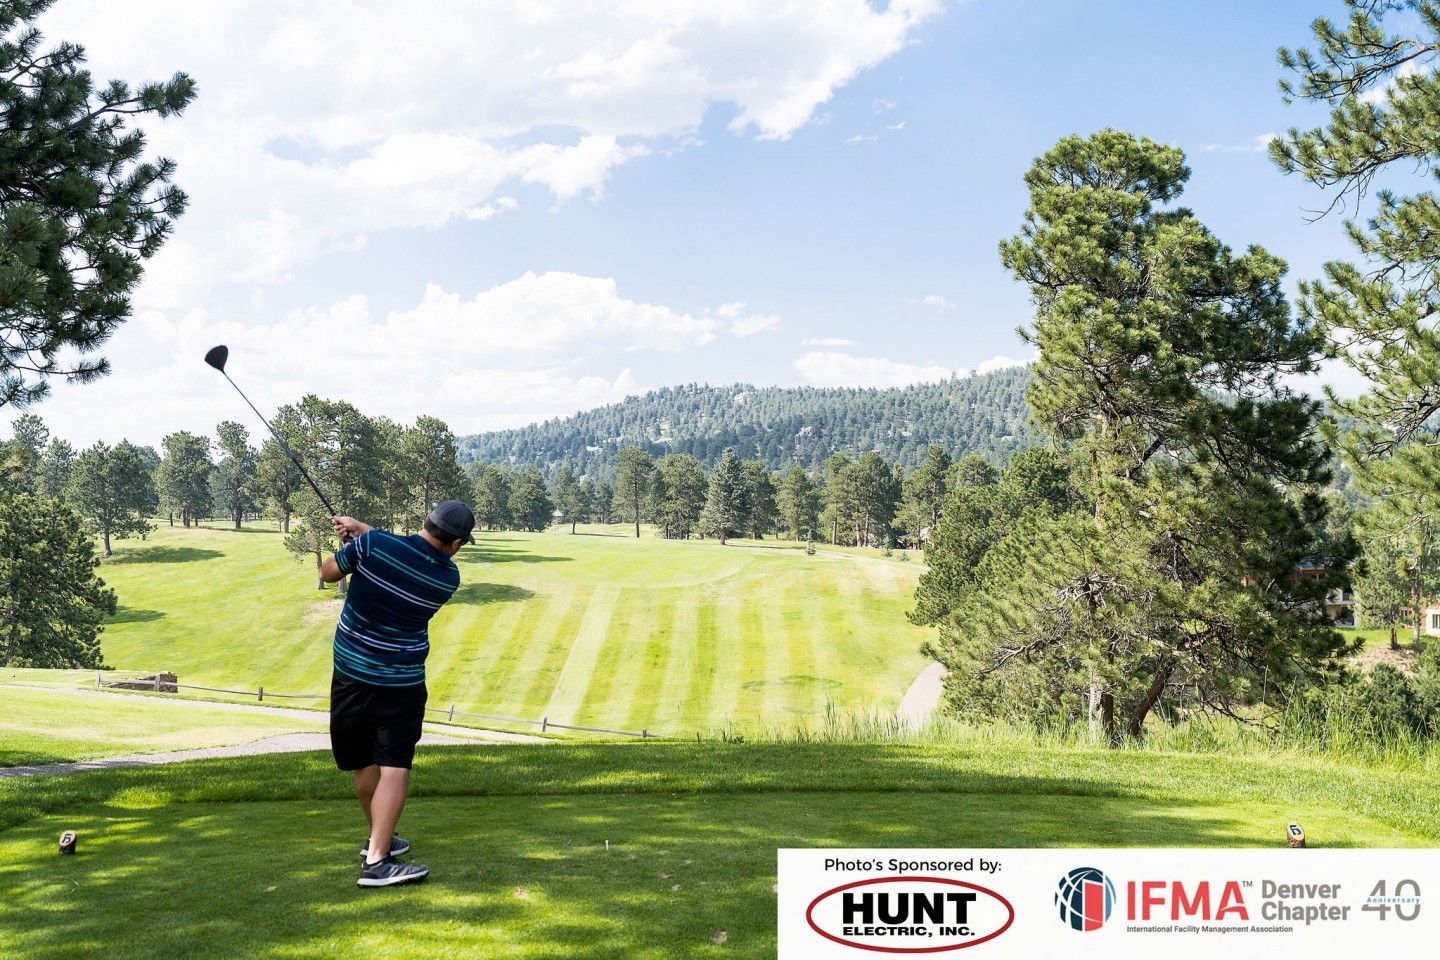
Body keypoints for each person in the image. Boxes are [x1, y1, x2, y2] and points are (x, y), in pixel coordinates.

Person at [318, 500, 475, 887]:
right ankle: (377, 859)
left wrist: (353, 542)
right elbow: (403, 551)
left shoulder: (373, 548)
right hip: (401, 682)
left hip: (351, 675)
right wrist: (363, 530)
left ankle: (378, 843)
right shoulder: (446, 578)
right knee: (394, 765)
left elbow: (327, 573)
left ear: (426, 521)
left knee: (363, 762)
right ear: (455, 543)